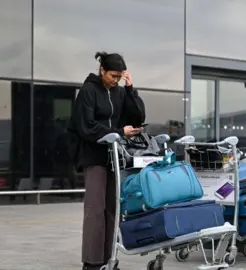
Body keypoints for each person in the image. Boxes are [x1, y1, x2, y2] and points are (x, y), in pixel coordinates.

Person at [67, 52, 143, 270]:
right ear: (102, 70)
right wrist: (118, 131)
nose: (115, 80)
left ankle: (109, 260)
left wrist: (130, 90)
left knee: (113, 209)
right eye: (112, 76)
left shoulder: (119, 92)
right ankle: (92, 262)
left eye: (119, 77)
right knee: (95, 209)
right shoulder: (89, 91)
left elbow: (137, 116)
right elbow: (86, 126)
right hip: (93, 156)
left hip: (113, 156)